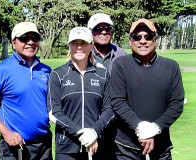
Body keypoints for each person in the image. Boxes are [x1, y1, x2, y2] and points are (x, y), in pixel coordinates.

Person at [110, 18, 185, 160]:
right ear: (130, 40)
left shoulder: (171, 66)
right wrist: (141, 129)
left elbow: (176, 103)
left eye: (148, 36)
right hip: (126, 149)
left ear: (155, 39)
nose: (143, 41)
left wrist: (156, 128)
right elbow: (117, 101)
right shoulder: (120, 65)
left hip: (161, 147)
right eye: (137, 37)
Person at [0, 22, 52, 160]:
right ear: (13, 43)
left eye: (35, 38)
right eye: (24, 38)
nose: (30, 42)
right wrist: (6, 132)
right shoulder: (0, 71)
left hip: (43, 145)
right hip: (15, 147)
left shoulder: (46, 70)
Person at [47, 27, 113, 160]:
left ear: (91, 46)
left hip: (97, 145)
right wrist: (81, 133)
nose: (79, 47)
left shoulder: (102, 74)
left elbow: (109, 109)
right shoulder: (58, 74)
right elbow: (54, 113)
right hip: (67, 148)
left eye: (83, 43)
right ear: (69, 46)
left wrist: (94, 132)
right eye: (74, 43)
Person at [87, 13, 127, 159]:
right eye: (98, 28)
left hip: (118, 122)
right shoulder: (84, 53)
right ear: (90, 32)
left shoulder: (121, 54)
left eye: (107, 28)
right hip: (93, 121)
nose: (103, 31)